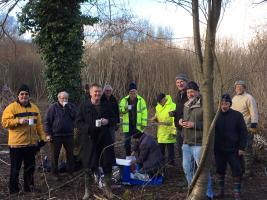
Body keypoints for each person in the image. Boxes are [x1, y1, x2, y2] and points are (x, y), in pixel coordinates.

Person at [1, 84, 46, 194]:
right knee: (15, 169)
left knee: (30, 168)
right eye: (22, 94)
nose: (24, 96)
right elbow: (5, 123)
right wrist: (18, 121)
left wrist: (43, 138)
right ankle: (14, 190)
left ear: (29, 95)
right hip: (16, 145)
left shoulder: (34, 107)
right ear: (18, 95)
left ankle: (29, 187)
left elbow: (39, 124)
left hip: (31, 144)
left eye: (26, 94)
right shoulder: (11, 107)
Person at [76, 83, 116, 199]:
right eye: (95, 92)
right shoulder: (84, 106)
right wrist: (88, 128)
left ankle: (108, 189)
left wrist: (107, 122)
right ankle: (88, 191)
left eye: (99, 91)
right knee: (88, 165)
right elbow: (78, 122)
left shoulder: (107, 105)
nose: (97, 94)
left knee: (107, 164)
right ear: (90, 93)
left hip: (105, 139)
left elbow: (115, 119)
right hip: (89, 140)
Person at [178, 81, 213, 200]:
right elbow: (185, 118)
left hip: (198, 143)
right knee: (186, 168)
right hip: (186, 142)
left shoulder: (205, 105)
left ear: (198, 92)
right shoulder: (186, 105)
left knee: (202, 170)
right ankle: (193, 191)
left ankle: (208, 194)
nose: (189, 94)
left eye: (192, 91)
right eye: (188, 92)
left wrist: (194, 124)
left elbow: (210, 125)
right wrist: (181, 121)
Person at [214, 94, 247, 200]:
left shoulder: (237, 115)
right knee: (220, 170)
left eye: (226, 103)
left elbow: (243, 132)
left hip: (234, 149)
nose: (224, 106)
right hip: (219, 149)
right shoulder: (215, 116)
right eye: (222, 103)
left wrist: (242, 148)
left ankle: (237, 193)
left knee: (237, 171)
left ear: (230, 104)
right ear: (219, 104)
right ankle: (221, 191)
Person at [44, 91, 77, 179]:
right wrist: (48, 134)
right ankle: (54, 173)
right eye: (62, 98)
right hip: (56, 135)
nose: (64, 100)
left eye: (66, 98)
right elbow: (47, 122)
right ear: (58, 98)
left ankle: (70, 172)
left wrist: (68, 109)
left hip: (69, 135)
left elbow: (76, 117)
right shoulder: (53, 107)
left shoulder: (71, 106)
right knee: (54, 155)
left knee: (70, 154)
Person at [231, 80, 259, 178]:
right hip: (235, 129)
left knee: (246, 150)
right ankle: (239, 169)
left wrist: (254, 125)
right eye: (237, 86)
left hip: (246, 128)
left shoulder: (249, 98)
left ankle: (248, 172)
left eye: (240, 86)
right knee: (236, 150)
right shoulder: (234, 98)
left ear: (244, 87)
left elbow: (254, 111)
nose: (238, 88)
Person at [119, 82, 148, 156]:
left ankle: (139, 158)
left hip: (137, 126)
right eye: (131, 92)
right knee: (127, 143)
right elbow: (120, 110)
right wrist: (125, 108)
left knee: (139, 143)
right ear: (128, 92)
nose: (132, 93)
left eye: (134, 91)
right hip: (127, 126)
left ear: (136, 92)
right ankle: (128, 157)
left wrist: (143, 124)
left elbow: (144, 113)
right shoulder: (124, 100)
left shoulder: (141, 100)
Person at [152, 93, 176, 166]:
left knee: (170, 149)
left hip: (169, 131)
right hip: (161, 131)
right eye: (158, 101)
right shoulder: (158, 106)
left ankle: (171, 163)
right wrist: (155, 118)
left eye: (160, 101)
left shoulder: (173, 106)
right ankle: (161, 163)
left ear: (164, 98)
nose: (159, 102)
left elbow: (174, 119)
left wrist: (174, 131)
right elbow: (157, 115)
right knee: (160, 149)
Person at [173, 73, 189, 157]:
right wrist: (173, 113)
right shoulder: (178, 94)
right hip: (178, 127)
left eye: (182, 81)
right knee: (180, 148)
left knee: (187, 149)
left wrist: (183, 118)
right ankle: (184, 168)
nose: (179, 84)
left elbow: (190, 110)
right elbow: (179, 109)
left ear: (186, 82)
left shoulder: (190, 94)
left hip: (187, 127)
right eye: (177, 82)